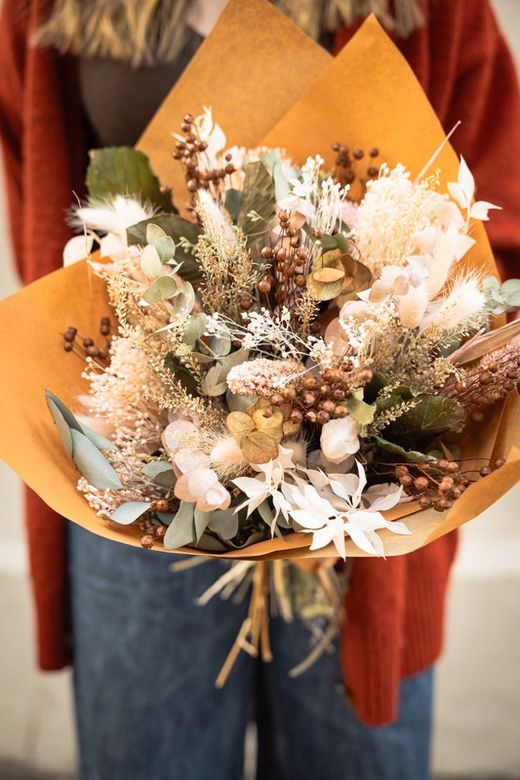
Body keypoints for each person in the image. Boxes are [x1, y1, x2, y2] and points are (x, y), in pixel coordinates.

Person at [1, 1, 519, 778]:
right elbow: (42, 197)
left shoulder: (430, 8)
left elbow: (497, 219)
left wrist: (381, 367)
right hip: (136, 486)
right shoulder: (48, 9)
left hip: (361, 507)